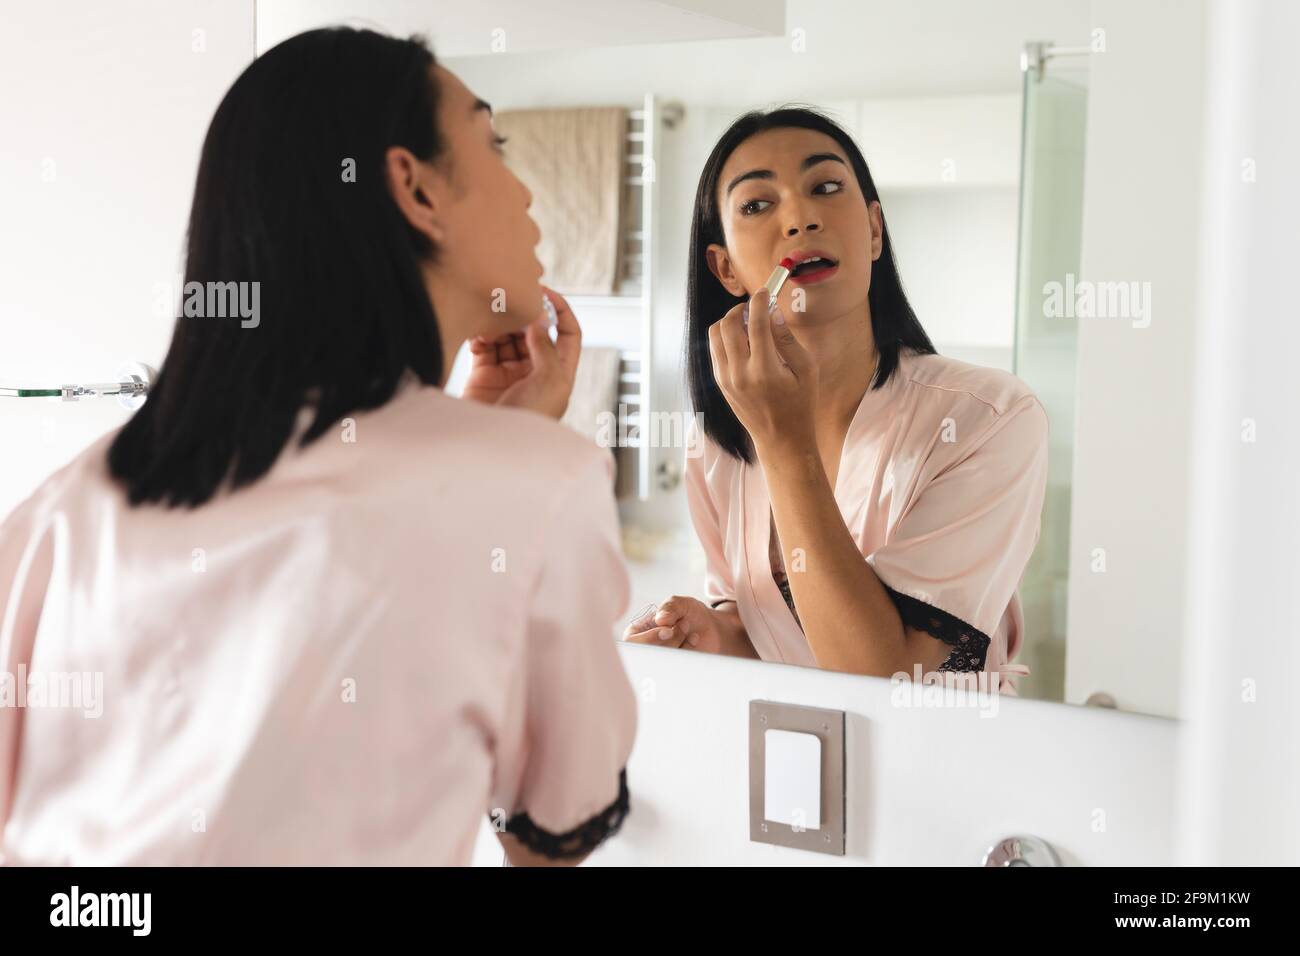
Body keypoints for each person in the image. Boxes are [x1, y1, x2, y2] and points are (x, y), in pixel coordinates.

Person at [0, 27, 635, 865]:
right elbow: (552, 832)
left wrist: (495, 443)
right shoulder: (543, 484)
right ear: (415, 189)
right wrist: (507, 454)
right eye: (494, 144)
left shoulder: (76, 501)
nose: (524, 194)